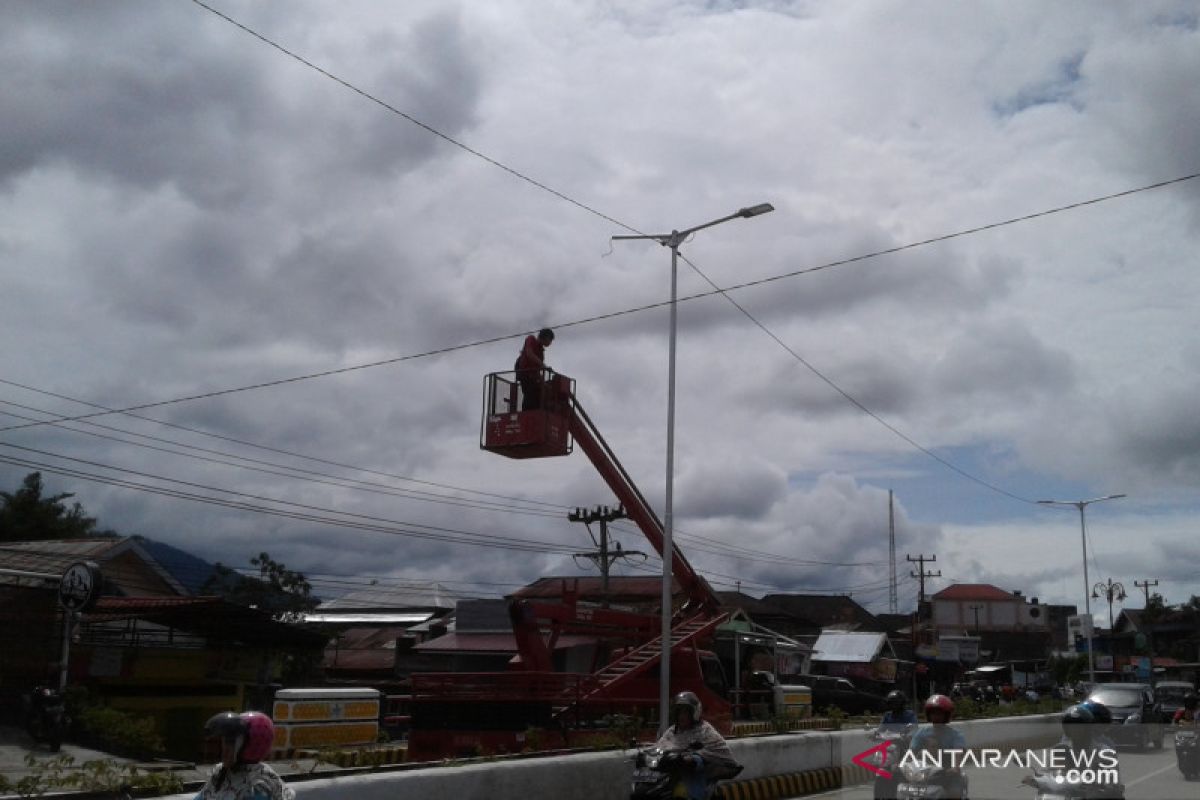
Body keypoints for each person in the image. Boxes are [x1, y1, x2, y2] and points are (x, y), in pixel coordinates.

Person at [1021, 705, 1123, 798]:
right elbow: (1048, 772)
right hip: (1067, 795)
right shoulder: (1060, 749)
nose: (1075, 730)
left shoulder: (1104, 752)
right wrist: (1035, 779)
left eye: (1079, 727)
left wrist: (1099, 781)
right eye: (1071, 726)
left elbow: (1112, 781)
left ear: (1087, 728)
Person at [653, 691, 740, 800]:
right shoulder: (672, 731)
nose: (681, 716)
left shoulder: (705, 731)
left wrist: (694, 758)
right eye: (679, 712)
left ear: (694, 713)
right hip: (671, 778)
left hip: (698, 778)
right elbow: (659, 747)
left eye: (685, 712)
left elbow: (712, 751)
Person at [197, 711, 294, 800]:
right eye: (225, 741)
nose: (224, 749)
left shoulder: (258, 785)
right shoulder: (221, 773)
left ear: (251, 744)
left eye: (231, 742)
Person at [907, 694, 966, 798]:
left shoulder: (955, 734)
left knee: (954, 794)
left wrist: (955, 767)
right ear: (929, 715)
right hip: (924, 772)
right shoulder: (922, 732)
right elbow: (912, 751)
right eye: (933, 713)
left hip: (947, 772)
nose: (936, 717)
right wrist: (903, 765)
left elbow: (958, 753)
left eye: (939, 714)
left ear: (946, 715)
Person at [514, 327, 554, 410]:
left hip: (532, 376)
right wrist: (543, 365)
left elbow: (537, 371)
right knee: (529, 395)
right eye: (550, 340)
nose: (550, 343)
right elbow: (529, 353)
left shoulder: (541, 353)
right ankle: (526, 415)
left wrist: (543, 383)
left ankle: (534, 413)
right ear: (546, 337)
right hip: (524, 373)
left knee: (536, 396)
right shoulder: (531, 339)